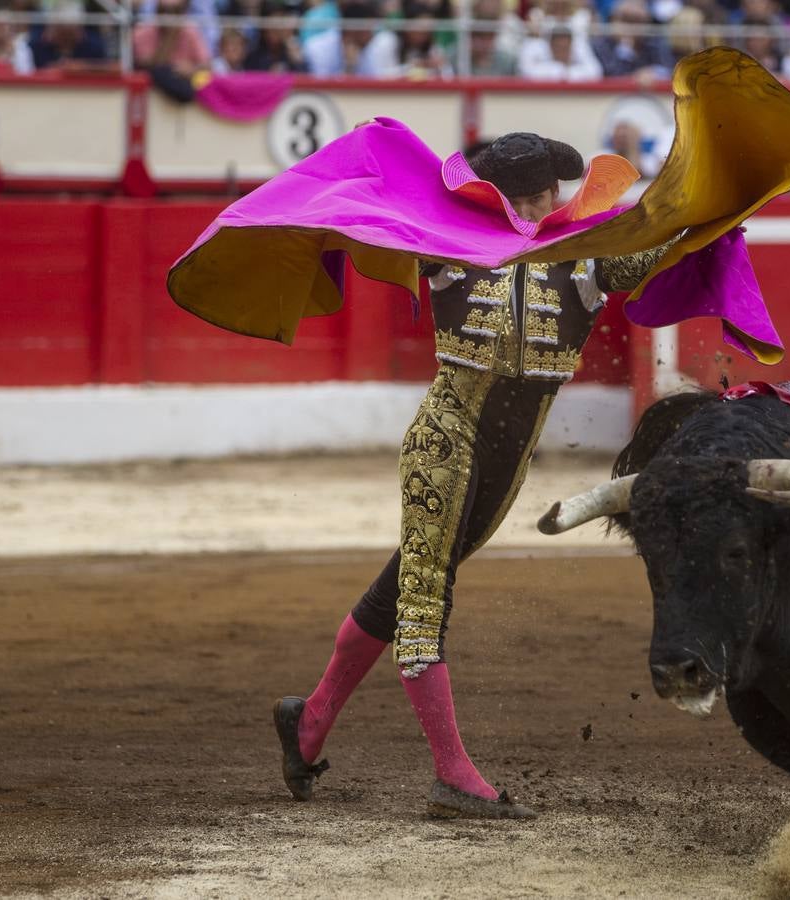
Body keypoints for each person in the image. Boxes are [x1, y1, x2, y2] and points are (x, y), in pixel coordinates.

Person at [273, 132, 680, 819]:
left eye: (539, 194)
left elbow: (671, 237)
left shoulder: (589, 254)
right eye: (515, 197)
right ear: (491, 195)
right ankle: (453, 775)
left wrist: (719, 206)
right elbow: (359, 214)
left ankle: (308, 721)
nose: (527, 207)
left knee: (403, 583)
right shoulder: (447, 242)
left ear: (557, 192)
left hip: (504, 470)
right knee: (425, 600)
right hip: (444, 441)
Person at [302, 0, 399, 77]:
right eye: (368, 31)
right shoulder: (318, 48)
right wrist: (349, 67)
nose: (372, 36)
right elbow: (322, 88)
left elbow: (373, 79)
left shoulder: (367, 48)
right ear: (352, 32)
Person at [518, 22, 603, 80]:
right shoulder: (535, 47)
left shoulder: (580, 47)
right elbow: (525, 72)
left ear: (571, 45)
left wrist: (568, 72)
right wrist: (560, 69)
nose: (562, 51)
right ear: (550, 45)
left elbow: (595, 72)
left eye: (565, 48)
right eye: (558, 47)